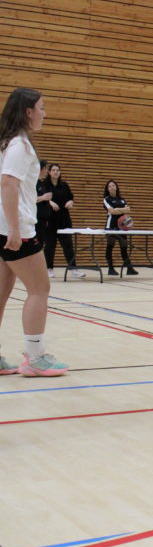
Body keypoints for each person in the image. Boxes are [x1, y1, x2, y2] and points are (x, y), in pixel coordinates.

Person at [0, 87, 68, 376]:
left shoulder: (6, 143)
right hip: (16, 229)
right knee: (40, 289)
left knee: (2, 293)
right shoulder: (20, 146)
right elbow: (8, 183)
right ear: (28, 112)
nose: (44, 113)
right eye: (41, 108)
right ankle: (35, 358)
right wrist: (15, 230)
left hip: (3, 228)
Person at [42, 162, 85, 279]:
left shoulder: (64, 185)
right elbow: (41, 198)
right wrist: (49, 202)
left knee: (68, 245)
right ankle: (49, 269)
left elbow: (71, 197)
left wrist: (70, 202)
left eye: (58, 170)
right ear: (49, 172)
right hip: (50, 219)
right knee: (50, 245)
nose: (56, 172)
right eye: (53, 170)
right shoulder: (44, 185)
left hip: (64, 219)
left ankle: (74, 269)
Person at [102, 180, 138, 275]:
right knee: (110, 246)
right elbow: (112, 211)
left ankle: (129, 268)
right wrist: (122, 210)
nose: (112, 187)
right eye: (110, 186)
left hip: (122, 227)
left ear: (116, 187)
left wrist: (117, 209)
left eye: (113, 185)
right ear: (107, 189)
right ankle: (110, 269)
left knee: (124, 247)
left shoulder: (122, 200)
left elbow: (128, 210)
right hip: (111, 227)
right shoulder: (107, 199)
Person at [35, 159, 52, 251]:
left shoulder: (41, 183)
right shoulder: (33, 183)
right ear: (40, 169)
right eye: (46, 168)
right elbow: (29, 200)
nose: (46, 171)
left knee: (41, 244)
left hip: (42, 221)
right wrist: (43, 197)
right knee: (36, 246)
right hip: (36, 221)